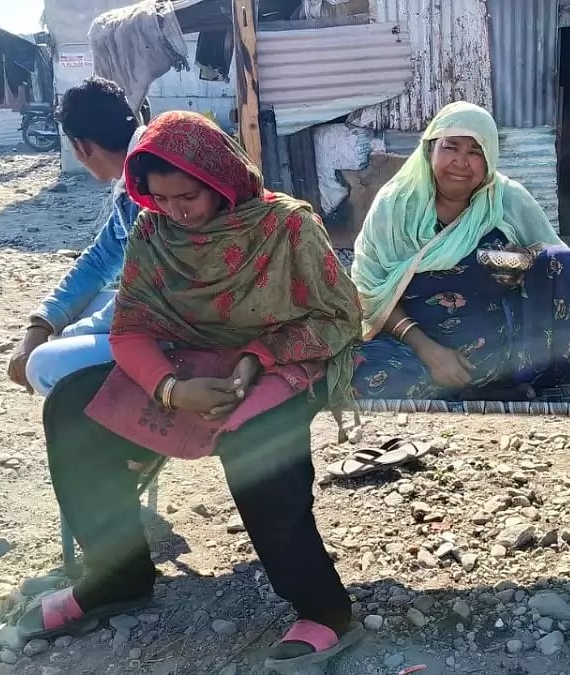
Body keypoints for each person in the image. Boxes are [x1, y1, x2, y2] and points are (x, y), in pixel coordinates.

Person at [21, 111, 364, 669]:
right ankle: (117, 577)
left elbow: (339, 317)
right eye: (160, 198)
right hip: (184, 364)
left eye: (188, 197)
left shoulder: (287, 227)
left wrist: (257, 359)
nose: (177, 212)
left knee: (254, 443)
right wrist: (172, 390)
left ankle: (322, 609)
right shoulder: (154, 232)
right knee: (72, 410)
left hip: (282, 356)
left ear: (221, 179)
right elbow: (130, 327)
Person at [351, 101, 570, 405]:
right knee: (362, 374)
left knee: (563, 264)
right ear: (429, 150)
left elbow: (554, 263)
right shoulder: (396, 206)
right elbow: (370, 290)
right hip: (418, 347)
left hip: (509, 347)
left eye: (475, 152)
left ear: (490, 158)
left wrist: (521, 261)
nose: (461, 162)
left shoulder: (507, 199)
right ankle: (475, 388)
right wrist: (430, 352)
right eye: (450, 147)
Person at [7, 77, 144, 396]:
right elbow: (99, 261)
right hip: (174, 304)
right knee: (81, 307)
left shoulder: (147, 183)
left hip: (189, 323)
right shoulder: (134, 175)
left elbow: (147, 292)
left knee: (42, 365)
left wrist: (65, 337)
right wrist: (40, 324)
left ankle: (128, 433)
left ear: (81, 147)